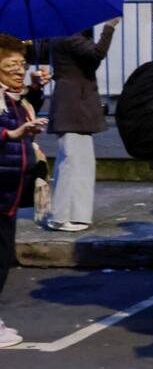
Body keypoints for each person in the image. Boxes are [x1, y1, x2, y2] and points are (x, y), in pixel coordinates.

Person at [44, 17, 119, 231]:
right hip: (73, 106)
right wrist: (109, 28)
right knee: (72, 162)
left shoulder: (66, 35)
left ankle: (76, 214)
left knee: (79, 162)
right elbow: (96, 55)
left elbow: (90, 59)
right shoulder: (69, 36)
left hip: (75, 106)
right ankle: (61, 216)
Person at [0, 33, 49, 348]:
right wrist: (12, 133)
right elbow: (9, 128)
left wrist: (36, 87)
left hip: (9, 190)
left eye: (21, 64)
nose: (18, 71)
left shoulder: (15, 99)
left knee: (4, 256)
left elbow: (26, 112)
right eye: (9, 66)